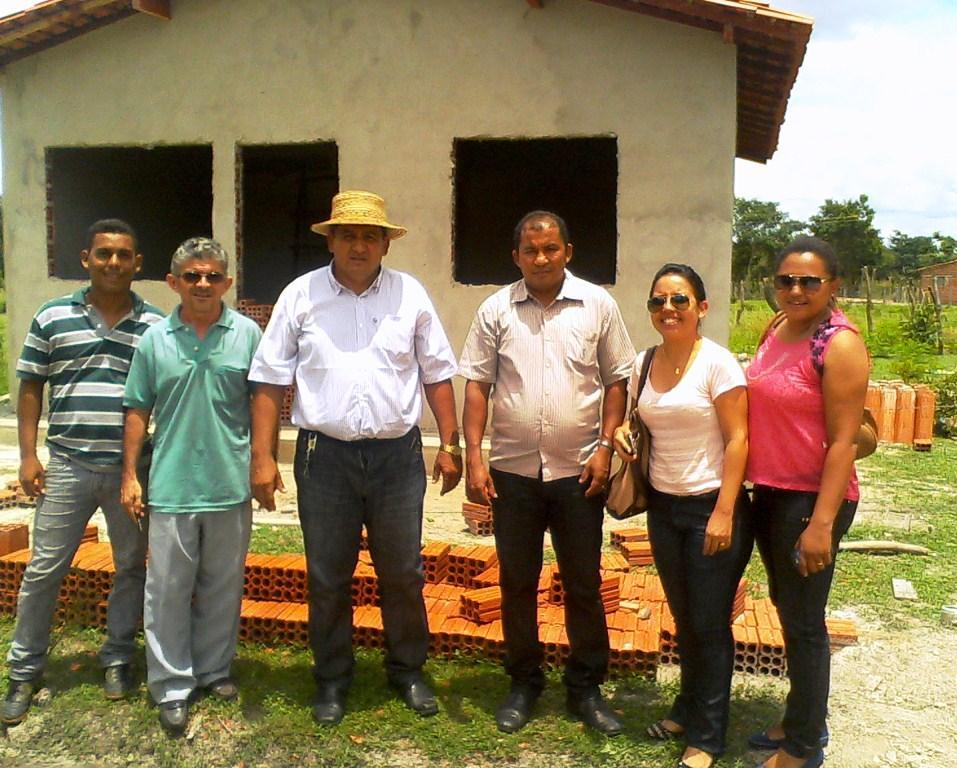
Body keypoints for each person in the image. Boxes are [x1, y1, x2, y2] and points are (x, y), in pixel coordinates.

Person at [248, 190, 461, 725]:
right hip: (325, 460)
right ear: (331, 240)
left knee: (403, 573)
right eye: (348, 235)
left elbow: (437, 372)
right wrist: (263, 458)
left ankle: (408, 671)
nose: (359, 245)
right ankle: (332, 679)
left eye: (370, 235)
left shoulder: (410, 296)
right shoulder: (300, 296)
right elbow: (270, 380)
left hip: (397, 459)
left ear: (386, 242)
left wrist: (451, 445)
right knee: (327, 576)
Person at [459, 210, 635, 736]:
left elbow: (617, 379)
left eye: (551, 248)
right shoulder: (496, 310)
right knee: (517, 581)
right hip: (513, 471)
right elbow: (476, 384)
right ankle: (524, 681)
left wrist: (606, 447)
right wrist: (473, 453)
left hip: (580, 472)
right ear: (516, 256)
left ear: (568, 251)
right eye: (531, 250)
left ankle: (586, 688)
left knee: (582, 581)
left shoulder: (597, 305)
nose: (541, 258)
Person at [2, 220, 163, 725]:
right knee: (45, 569)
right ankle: (24, 671)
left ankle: (117, 658)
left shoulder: (156, 326)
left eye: (123, 255)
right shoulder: (53, 317)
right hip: (68, 465)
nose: (113, 262)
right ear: (85, 258)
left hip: (129, 471)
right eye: (104, 254)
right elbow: (31, 385)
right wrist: (29, 456)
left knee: (131, 566)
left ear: (138, 263)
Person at [121, 237, 262, 736]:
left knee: (222, 586)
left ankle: (214, 670)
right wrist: (129, 476)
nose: (203, 283)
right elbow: (137, 408)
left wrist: (262, 464)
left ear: (226, 281)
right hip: (172, 485)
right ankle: (171, 684)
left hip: (229, 483)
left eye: (212, 275)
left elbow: (262, 402)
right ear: (174, 282)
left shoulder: (247, 334)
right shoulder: (154, 340)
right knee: (167, 590)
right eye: (192, 275)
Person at [612, 264, 751, 768]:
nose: (668, 309)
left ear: (702, 308)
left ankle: (707, 739)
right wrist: (624, 438)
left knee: (710, 623)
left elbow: (739, 439)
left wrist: (724, 512)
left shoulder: (718, 365)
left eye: (680, 300)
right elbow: (638, 421)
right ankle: (687, 707)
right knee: (686, 618)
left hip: (711, 506)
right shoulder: (643, 362)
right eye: (658, 301)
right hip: (664, 507)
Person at [744, 236, 870, 768]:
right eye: (786, 280)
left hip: (811, 500)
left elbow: (845, 440)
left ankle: (803, 747)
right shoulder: (777, 329)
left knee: (804, 621)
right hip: (771, 491)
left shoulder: (839, 344)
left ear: (833, 286)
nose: (796, 290)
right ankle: (799, 720)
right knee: (788, 611)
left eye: (809, 281)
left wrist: (821, 524)